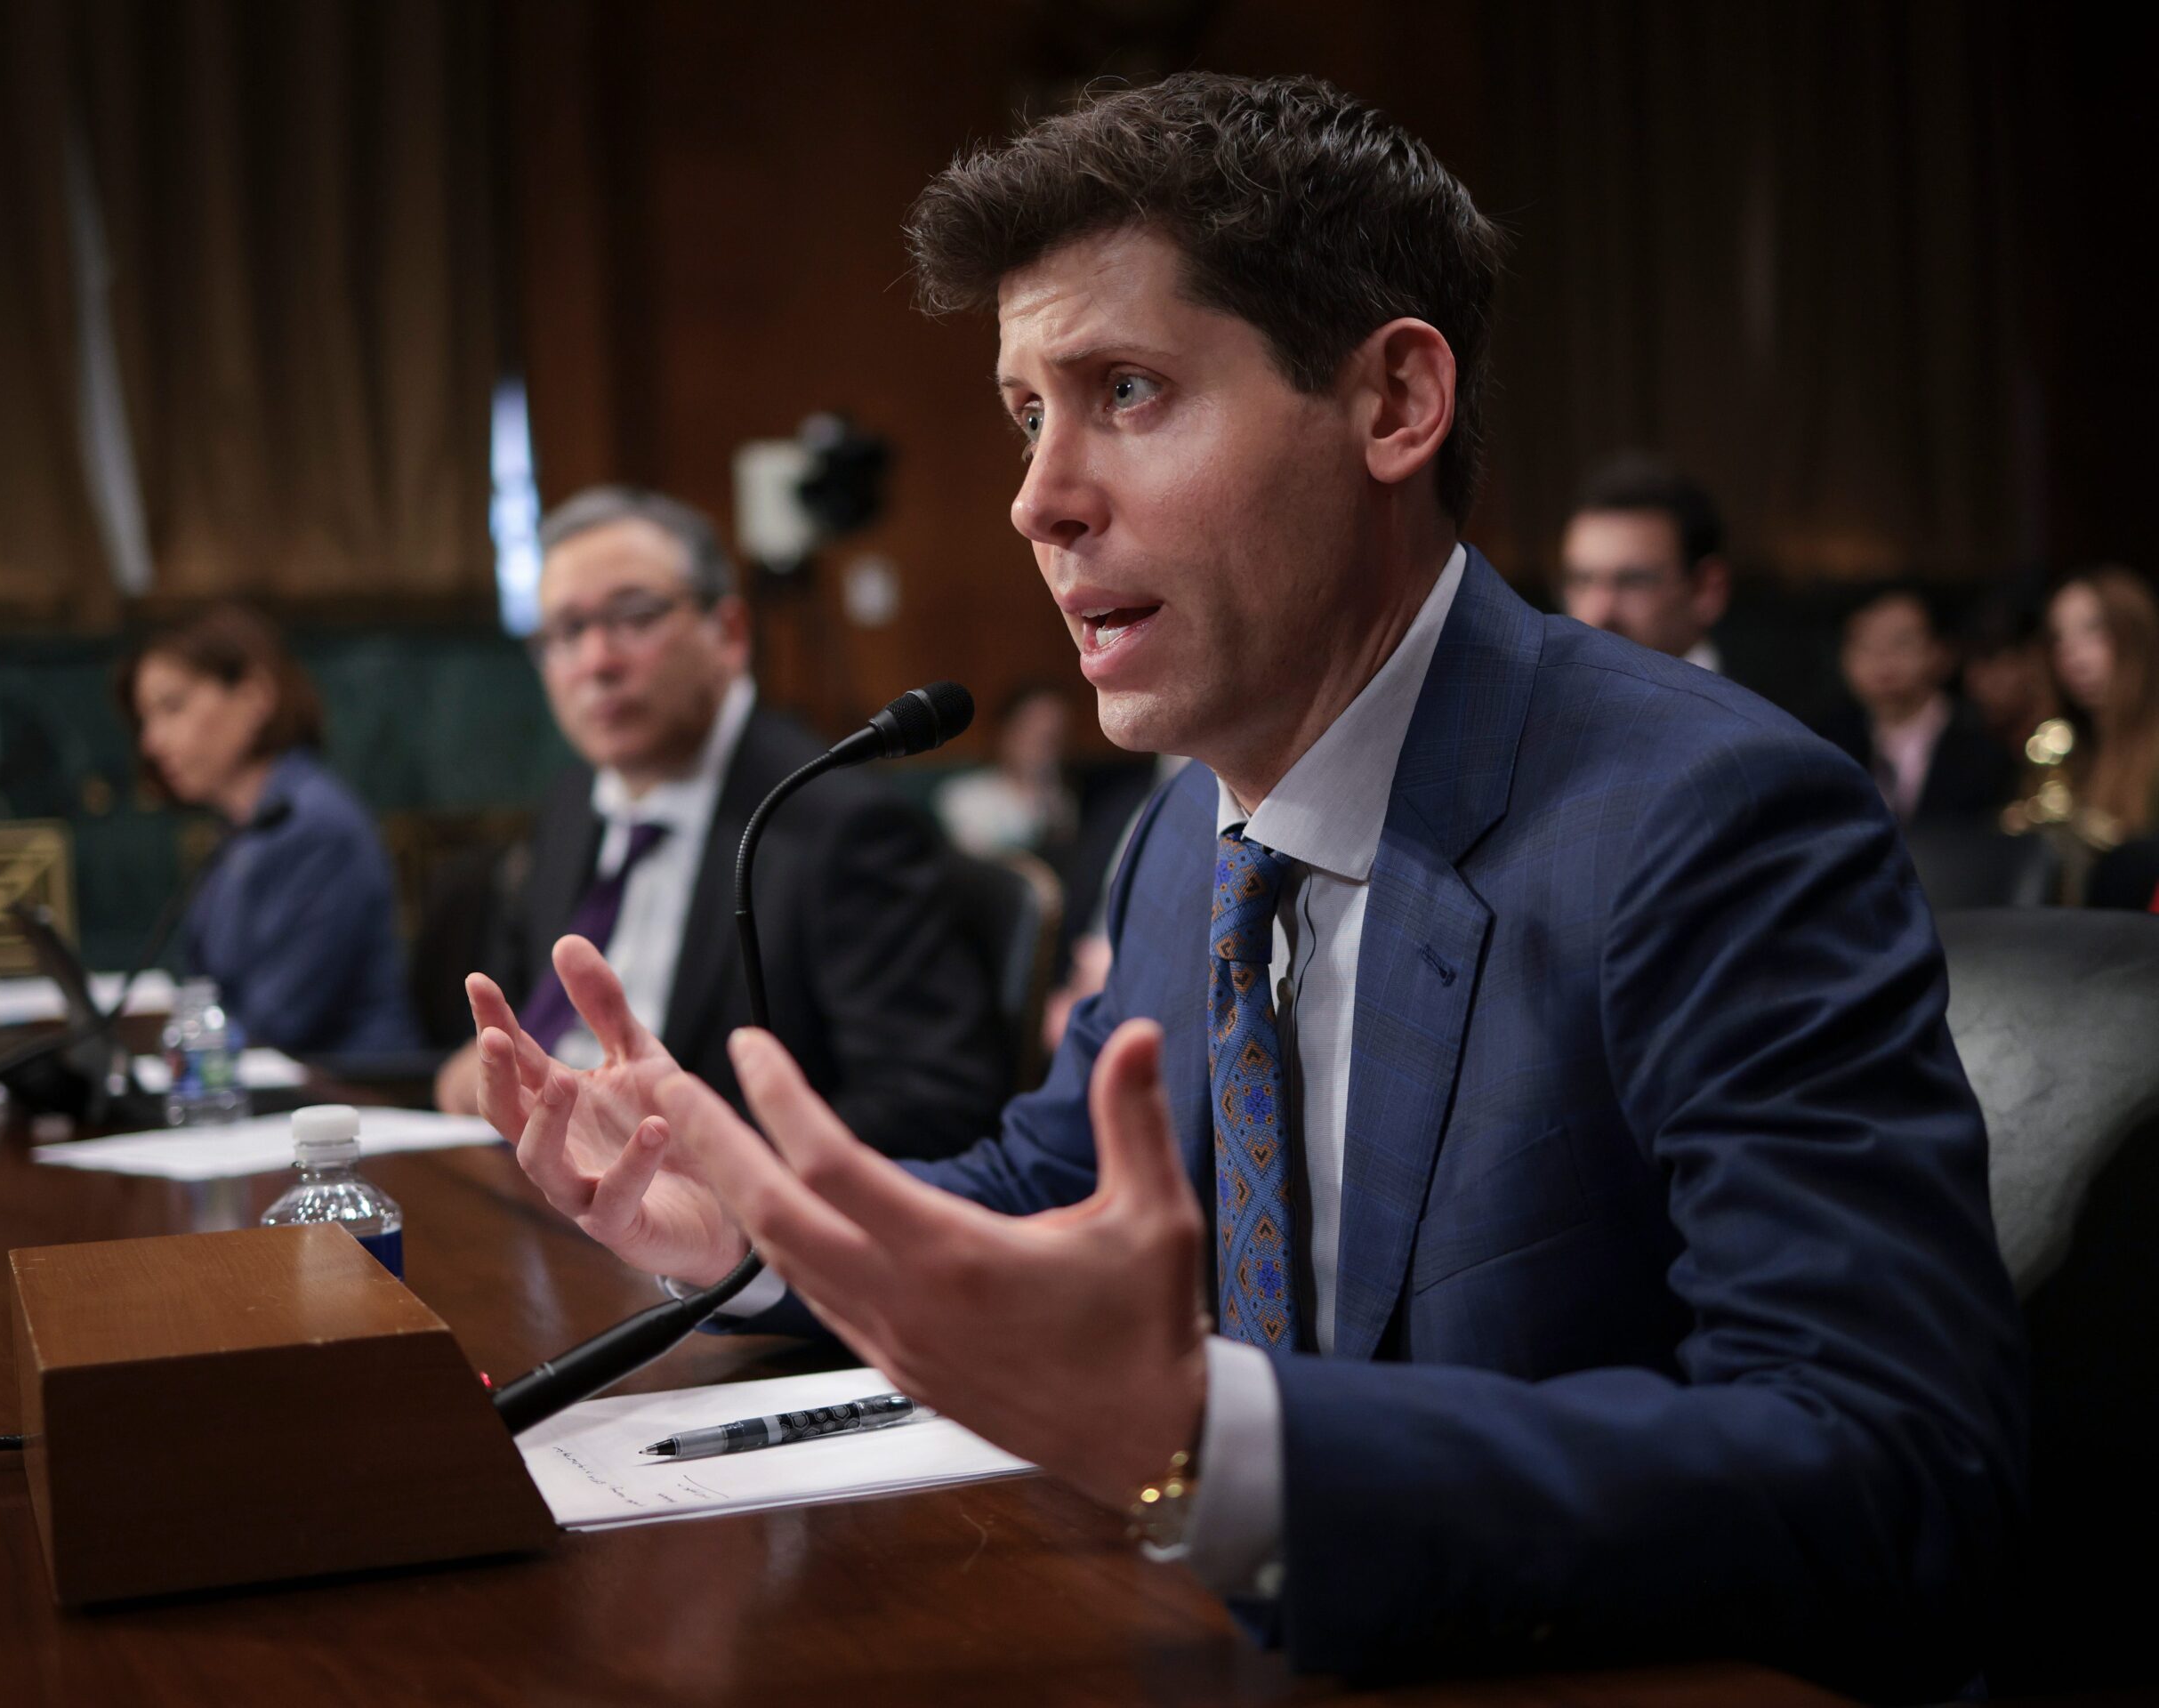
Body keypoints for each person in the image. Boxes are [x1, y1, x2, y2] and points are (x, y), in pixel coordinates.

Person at [463, 76, 2024, 1695]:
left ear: (1394, 405)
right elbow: (1050, 1181)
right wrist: (759, 1228)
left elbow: (1891, 1466)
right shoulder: (1186, 832)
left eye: (1125, 390)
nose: (1036, 498)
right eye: (1024, 413)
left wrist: (1223, 1446)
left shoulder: (1711, 820)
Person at [433, 487, 1007, 1160]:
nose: (596, 663)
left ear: (729, 634)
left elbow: (933, 1101)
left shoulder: (838, 827)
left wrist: (698, 1164)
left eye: (634, 616)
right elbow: (530, 1020)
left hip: (717, 1229)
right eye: (564, 633)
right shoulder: (570, 804)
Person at [117, 607, 419, 1054]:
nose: (151, 742)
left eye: (172, 707)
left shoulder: (316, 826)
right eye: (145, 719)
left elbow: (278, 1018)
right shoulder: (242, 828)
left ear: (255, 697)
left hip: (347, 1094)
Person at [1817, 582, 2015, 825]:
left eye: (1902, 642)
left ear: (1941, 653)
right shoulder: (1823, 744)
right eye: (1866, 644)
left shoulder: (1986, 739)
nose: (1883, 658)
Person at [1558, 454, 1731, 671]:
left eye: (1634, 580)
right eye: (1581, 580)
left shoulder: (1765, 703)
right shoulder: (1544, 702)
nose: (1600, 613)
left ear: (1707, 590)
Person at [2048, 565, 2159, 844]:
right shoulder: (2067, 751)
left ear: (2135, 634)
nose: (2073, 656)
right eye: (2059, 638)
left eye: (2093, 630)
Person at [933, 680, 1077, 859]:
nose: (1043, 748)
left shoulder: (1061, 799)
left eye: (1054, 737)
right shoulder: (963, 795)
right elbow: (972, 867)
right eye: (1032, 732)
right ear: (1006, 733)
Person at [1962, 591, 2063, 776]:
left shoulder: (2069, 743)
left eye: (1991, 659)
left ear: (2034, 659)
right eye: (1970, 664)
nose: (1976, 680)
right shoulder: (1974, 754)